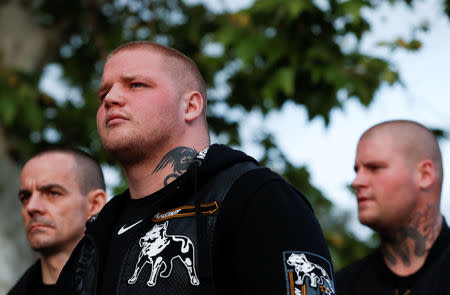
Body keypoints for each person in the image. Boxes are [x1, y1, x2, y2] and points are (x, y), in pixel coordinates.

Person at [58, 41, 336, 295]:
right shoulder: (97, 233)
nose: (110, 98)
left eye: (136, 85)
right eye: (104, 92)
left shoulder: (256, 198)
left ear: (190, 106)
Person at [336, 120, 450, 294]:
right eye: (357, 170)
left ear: (425, 175)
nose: (357, 182)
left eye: (374, 168)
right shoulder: (341, 286)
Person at [8, 148, 107, 295]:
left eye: (52, 193)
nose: (31, 207)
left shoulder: (130, 282)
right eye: (26, 197)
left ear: (94, 205)